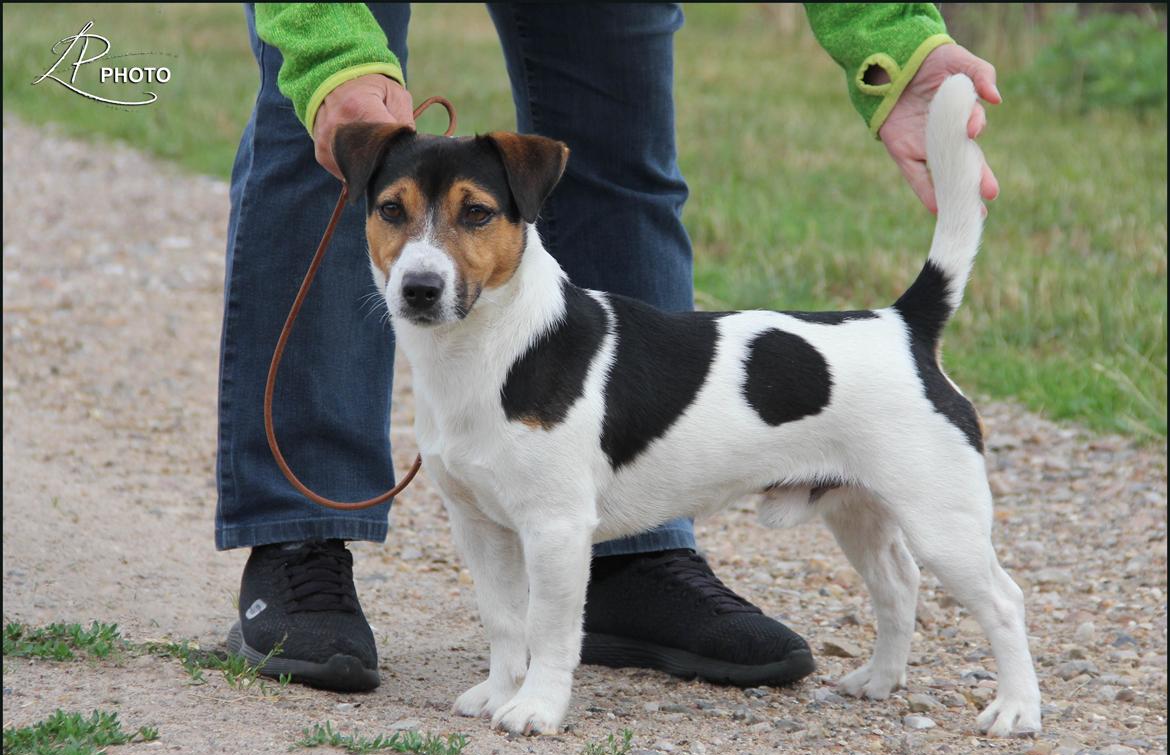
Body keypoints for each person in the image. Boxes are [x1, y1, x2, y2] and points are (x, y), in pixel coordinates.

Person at [217, 3, 1000, 693]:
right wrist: (329, 59)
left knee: (620, 149)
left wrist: (893, 41)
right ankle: (299, 535)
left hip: (859, 384)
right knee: (304, 130)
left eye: (474, 219)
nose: (428, 257)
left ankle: (636, 556)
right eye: (395, 213)